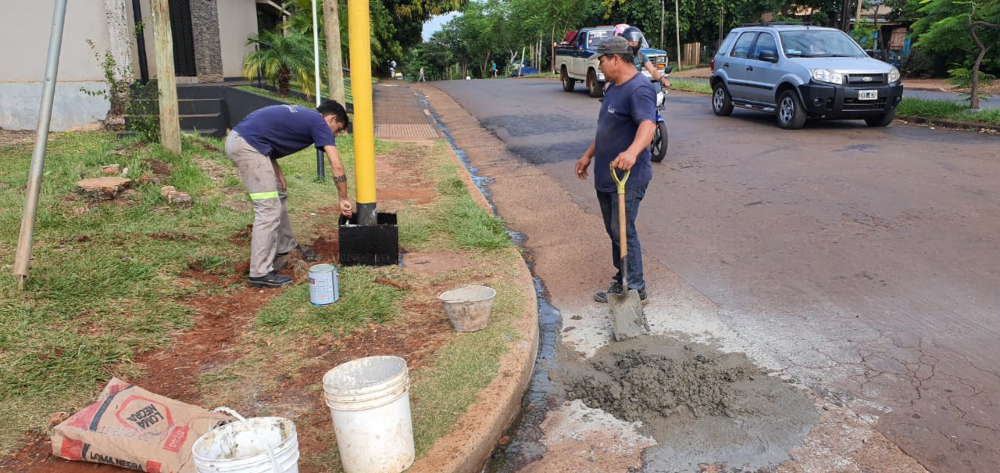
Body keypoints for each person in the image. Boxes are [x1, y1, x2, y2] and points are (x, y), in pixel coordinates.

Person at [225, 101, 353, 288]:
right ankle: (260, 273)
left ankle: (285, 248)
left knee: (279, 194)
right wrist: (343, 198)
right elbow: (336, 165)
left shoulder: (305, 116)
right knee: (268, 209)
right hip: (248, 146)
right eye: (337, 129)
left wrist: (277, 172)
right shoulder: (319, 123)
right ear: (331, 118)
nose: (334, 135)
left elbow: (266, 135)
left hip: (246, 141)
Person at [574, 36, 656, 304]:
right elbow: (606, 129)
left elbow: (648, 125)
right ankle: (623, 277)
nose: (600, 65)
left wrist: (632, 153)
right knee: (614, 229)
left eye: (602, 60)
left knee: (623, 229)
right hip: (607, 176)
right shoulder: (613, 87)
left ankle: (635, 287)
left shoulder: (639, 89)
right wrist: (588, 155)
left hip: (628, 177)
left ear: (616, 59)